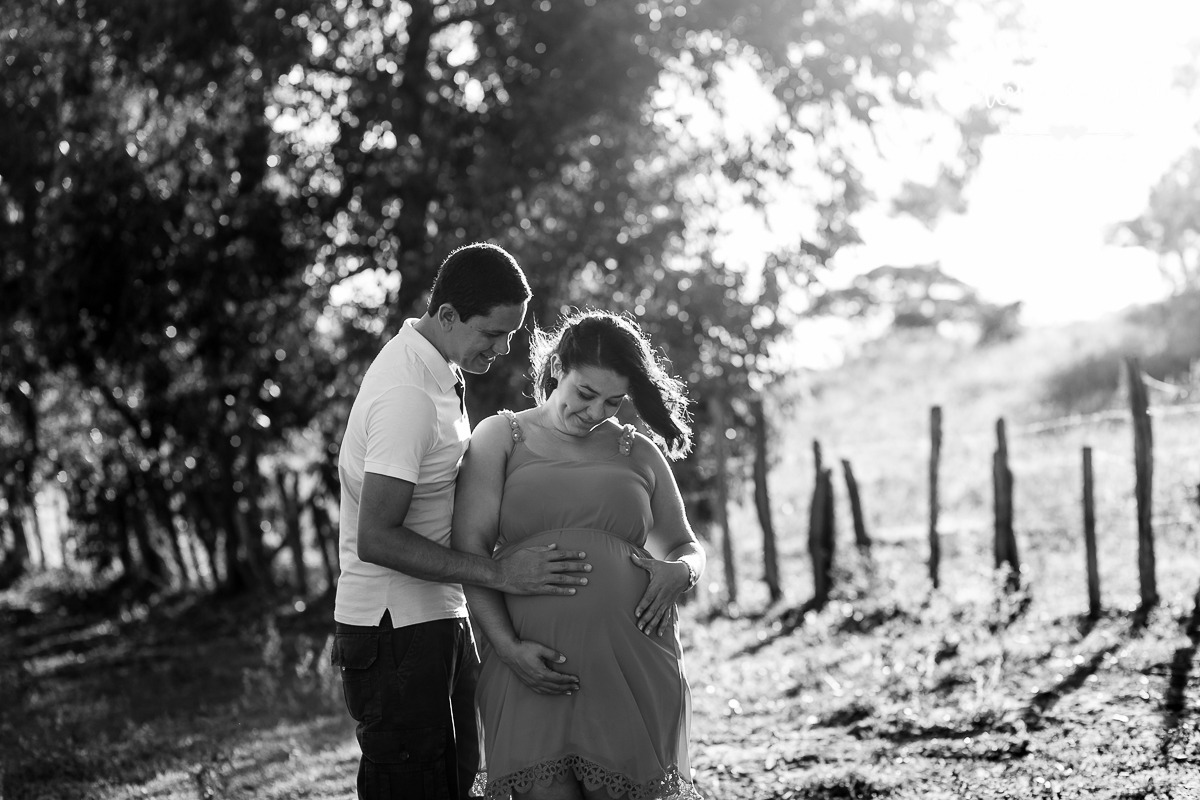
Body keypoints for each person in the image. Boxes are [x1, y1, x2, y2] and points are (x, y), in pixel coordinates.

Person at [331, 243, 592, 800]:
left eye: (510, 335)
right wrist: (501, 574)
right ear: (447, 315)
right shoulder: (407, 393)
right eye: (492, 334)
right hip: (394, 628)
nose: (503, 349)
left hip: (435, 615)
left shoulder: (439, 370)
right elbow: (375, 538)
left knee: (458, 780)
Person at [452, 310, 706, 800]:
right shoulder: (502, 437)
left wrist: (683, 572)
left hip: (630, 671)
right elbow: (470, 553)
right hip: (532, 668)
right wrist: (507, 648)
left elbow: (686, 546)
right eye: (585, 393)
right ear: (556, 369)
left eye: (613, 401)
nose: (595, 412)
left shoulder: (638, 451)